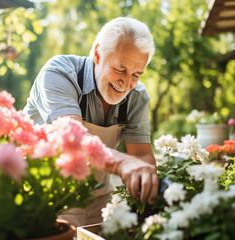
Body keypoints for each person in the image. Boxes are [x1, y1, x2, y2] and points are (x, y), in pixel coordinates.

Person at [23, 16, 158, 227]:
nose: (126, 82)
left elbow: (141, 155)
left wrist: (149, 196)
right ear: (97, 53)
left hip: (100, 202)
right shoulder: (59, 73)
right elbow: (73, 141)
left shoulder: (137, 96)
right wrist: (124, 163)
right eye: (120, 69)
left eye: (136, 74)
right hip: (47, 199)